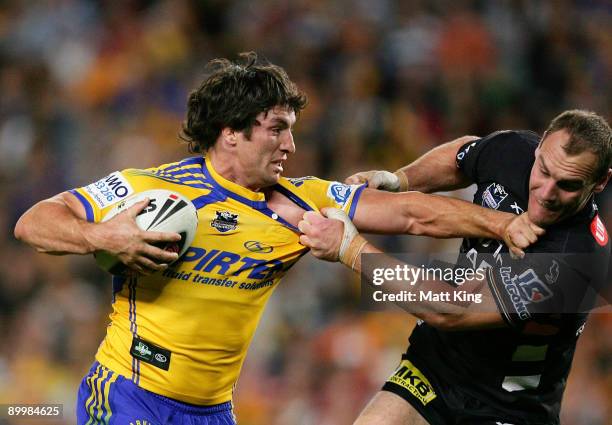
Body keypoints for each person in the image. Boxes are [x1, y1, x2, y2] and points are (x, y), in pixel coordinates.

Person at [14, 52, 539, 425]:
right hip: (129, 394)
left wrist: (501, 224)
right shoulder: (150, 189)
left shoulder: (299, 200)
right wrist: (102, 234)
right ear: (230, 131)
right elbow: (34, 222)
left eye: (291, 128)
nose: (290, 142)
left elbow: (410, 215)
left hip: (214, 412)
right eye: (276, 127)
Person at [299, 109, 612, 425]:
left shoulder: (578, 258)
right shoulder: (513, 150)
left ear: (600, 182)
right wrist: (400, 179)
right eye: (543, 170)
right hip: (433, 370)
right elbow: (462, 156)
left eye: (568, 185)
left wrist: (351, 249)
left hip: (506, 408)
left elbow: (452, 309)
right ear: (540, 146)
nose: (546, 193)